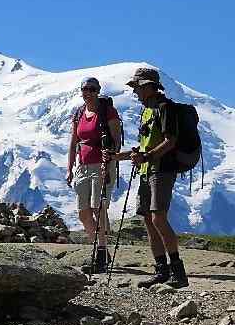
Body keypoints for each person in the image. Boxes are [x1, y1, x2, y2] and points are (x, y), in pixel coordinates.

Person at [105, 67, 188, 288]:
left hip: (161, 169)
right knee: (149, 221)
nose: (136, 92)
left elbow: (170, 140)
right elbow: (143, 146)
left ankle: (178, 272)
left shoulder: (164, 108)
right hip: (147, 171)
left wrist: (148, 156)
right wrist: (118, 156)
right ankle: (161, 270)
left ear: (150, 87)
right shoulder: (147, 110)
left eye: (138, 87)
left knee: (158, 218)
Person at [67, 77, 122, 274]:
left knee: (97, 207)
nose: (88, 92)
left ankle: (100, 255)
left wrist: (110, 159)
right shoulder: (79, 112)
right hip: (83, 166)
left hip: (102, 164)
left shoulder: (108, 111)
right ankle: (101, 250)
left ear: (98, 91)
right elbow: (74, 141)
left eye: (92, 89)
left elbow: (116, 140)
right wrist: (69, 167)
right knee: (83, 212)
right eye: (85, 89)